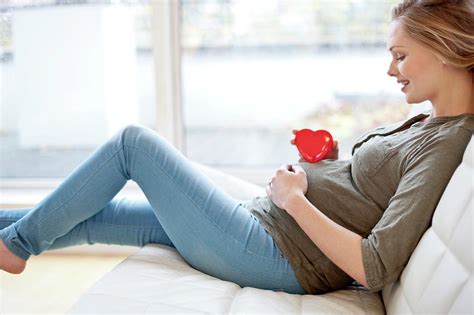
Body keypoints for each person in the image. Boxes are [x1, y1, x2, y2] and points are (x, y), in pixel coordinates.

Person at [0, 0, 473, 295]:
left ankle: (17, 244)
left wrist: (294, 199)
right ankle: (11, 235)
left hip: (278, 254)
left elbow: (374, 266)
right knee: (116, 216)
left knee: (133, 145)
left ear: (448, 48)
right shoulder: (431, 121)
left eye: (400, 55)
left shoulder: (446, 146)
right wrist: (327, 164)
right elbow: (367, 194)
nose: (391, 70)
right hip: (266, 226)